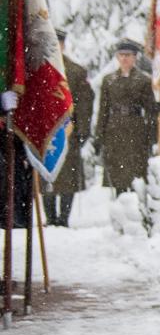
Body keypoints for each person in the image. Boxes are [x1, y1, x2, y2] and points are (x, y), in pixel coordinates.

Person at [95, 40, 157, 193]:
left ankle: (135, 207)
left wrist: (151, 137)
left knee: (136, 174)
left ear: (135, 57)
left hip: (135, 130)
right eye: (121, 55)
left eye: (128, 55)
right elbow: (103, 109)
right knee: (117, 175)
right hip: (114, 130)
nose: (124, 59)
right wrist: (99, 135)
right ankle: (119, 204)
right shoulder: (108, 80)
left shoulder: (143, 80)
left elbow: (151, 111)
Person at [45, 30, 93, 226]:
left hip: (68, 129)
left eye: (59, 43)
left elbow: (84, 103)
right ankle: (50, 217)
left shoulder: (75, 71)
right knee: (47, 174)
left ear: (64, 45)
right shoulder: (38, 69)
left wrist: (82, 130)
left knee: (68, 176)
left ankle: (63, 218)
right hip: (46, 132)